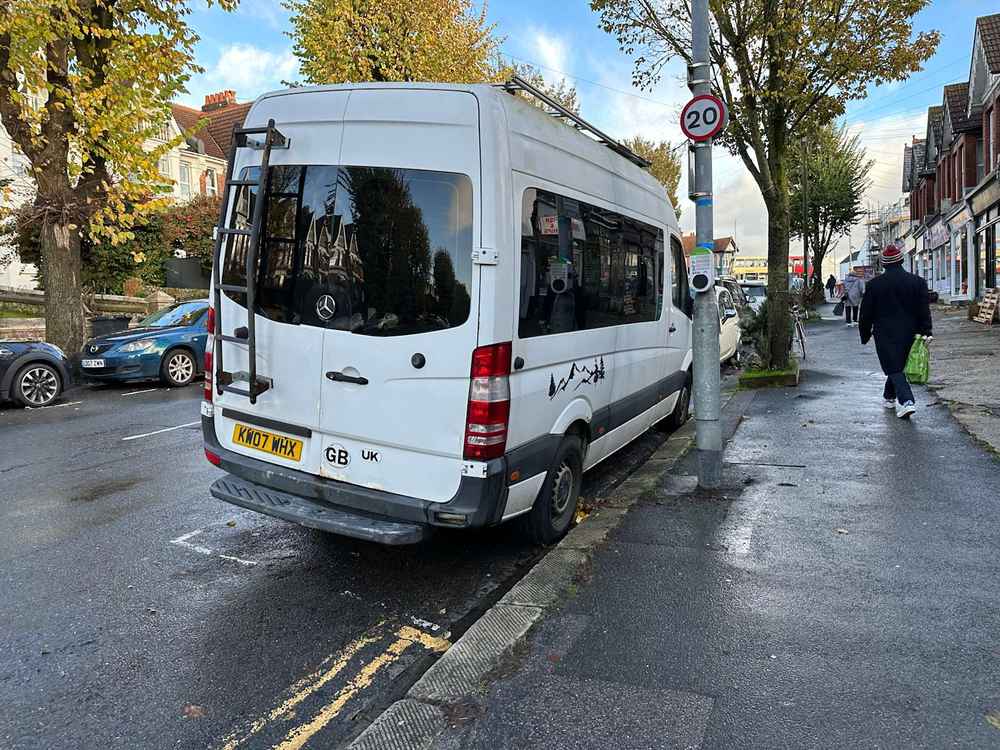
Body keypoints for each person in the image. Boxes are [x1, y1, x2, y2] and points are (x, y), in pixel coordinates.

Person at [859, 244, 933, 419]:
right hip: (911, 332)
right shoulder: (918, 282)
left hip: (884, 333)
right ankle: (889, 396)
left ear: (884, 264)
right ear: (901, 261)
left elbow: (866, 313)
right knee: (897, 365)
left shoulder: (874, 285)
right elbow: (924, 309)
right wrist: (926, 331)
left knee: (892, 366)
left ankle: (907, 401)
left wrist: (865, 334)